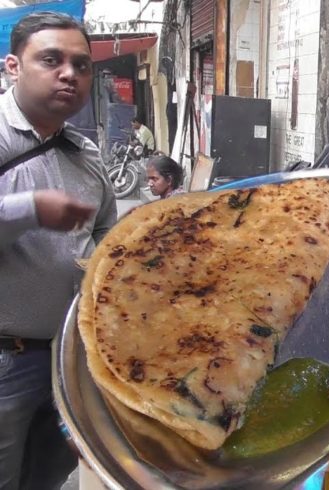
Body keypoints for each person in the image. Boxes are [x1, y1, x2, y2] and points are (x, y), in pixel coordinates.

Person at [0, 12, 116, 489]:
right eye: (51, 60)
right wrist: (29, 208)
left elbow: (107, 235)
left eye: (82, 65)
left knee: (48, 476)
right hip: (6, 361)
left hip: (67, 364)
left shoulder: (84, 154)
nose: (70, 73)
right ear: (12, 66)